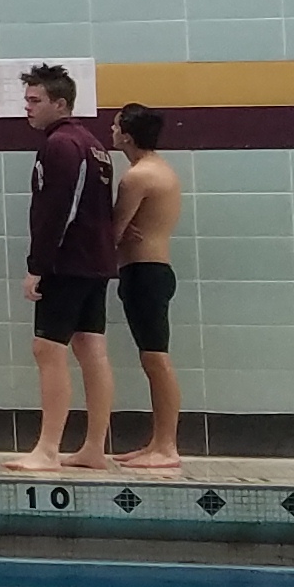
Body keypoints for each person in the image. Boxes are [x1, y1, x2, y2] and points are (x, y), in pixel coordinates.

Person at [11, 62, 120, 471]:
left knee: (47, 348)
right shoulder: (94, 145)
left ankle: (47, 449)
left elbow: (58, 210)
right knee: (91, 348)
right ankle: (94, 448)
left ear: (60, 103)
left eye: (35, 100)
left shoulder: (60, 145)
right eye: (26, 100)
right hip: (95, 262)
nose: (28, 107)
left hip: (67, 263)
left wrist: (37, 265)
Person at [109, 102, 185, 472]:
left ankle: (167, 447)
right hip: (153, 270)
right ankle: (157, 442)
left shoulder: (137, 177)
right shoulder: (160, 169)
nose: (111, 131)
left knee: (156, 358)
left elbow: (113, 231)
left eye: (115, 126)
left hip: (145, 272)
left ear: (127, 135)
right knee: (152, 357)